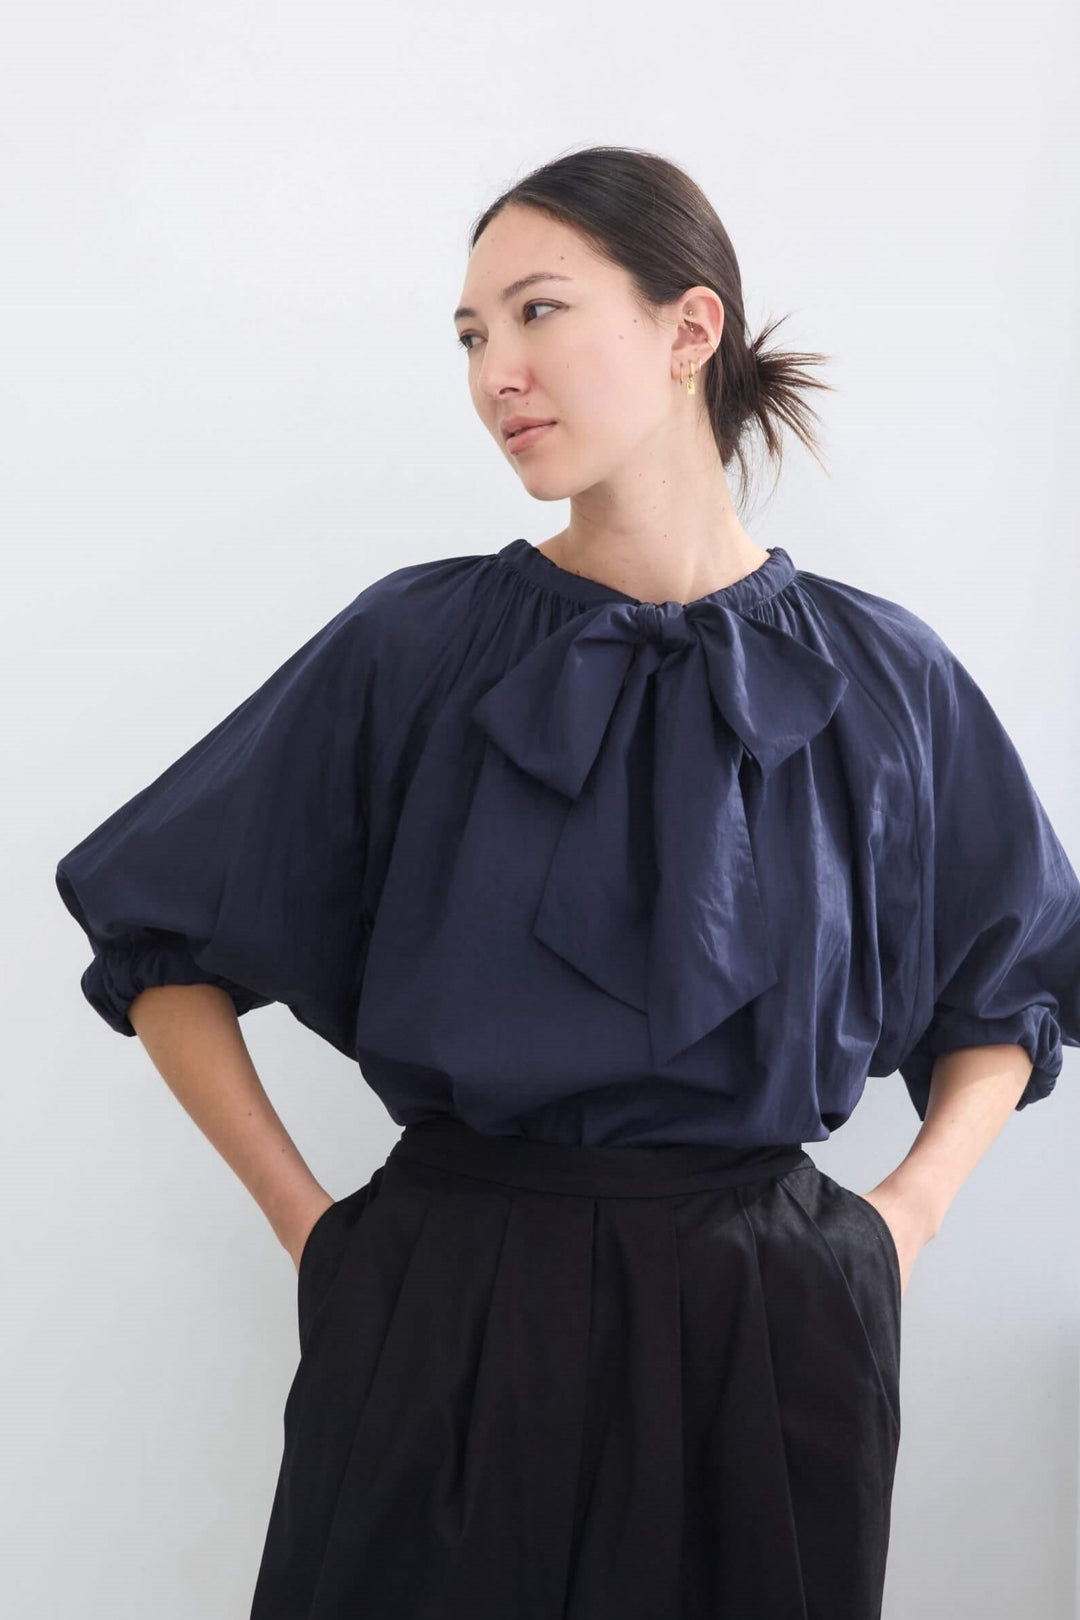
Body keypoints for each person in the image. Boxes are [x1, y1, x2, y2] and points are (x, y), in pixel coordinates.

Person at [54, 145, 1080, 1620]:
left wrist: (897, 1224)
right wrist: (319, 1236)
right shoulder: (415, 649)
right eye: (471, 336)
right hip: (444, 1304)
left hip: (771, 1327)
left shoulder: (880, 674)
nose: (495, 373)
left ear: (689, 329)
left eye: (536, 314)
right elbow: (163, 932)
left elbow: (1014, 973)